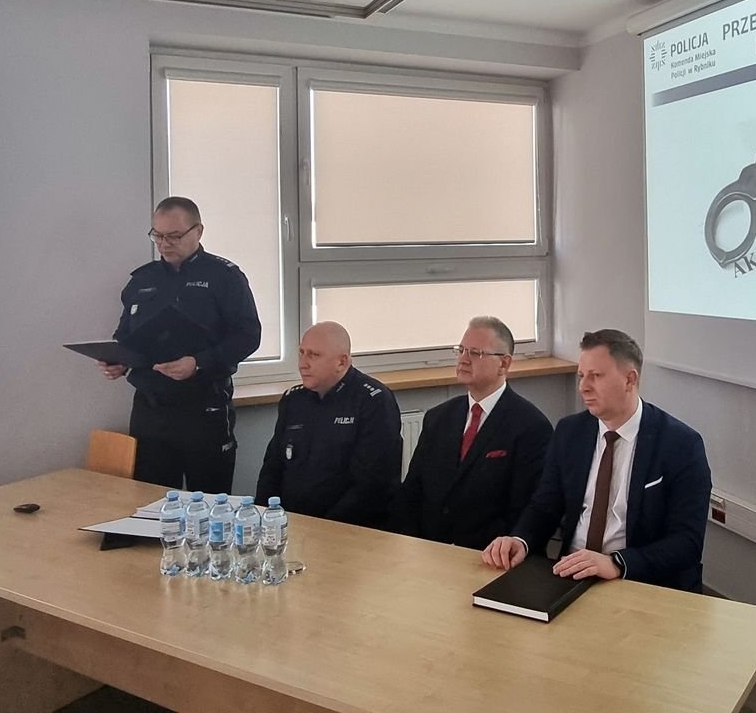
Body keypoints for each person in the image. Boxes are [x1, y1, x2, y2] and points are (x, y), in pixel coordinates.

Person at [482, 329, 712, 592]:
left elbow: (687, 541)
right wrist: (520, 540)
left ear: (629, 379)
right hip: (571, 572)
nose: (583, 387)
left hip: (639, 579)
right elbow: (545, 506)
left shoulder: (680, 444)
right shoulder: (570, 432)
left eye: (596, 376)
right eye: (582, 376)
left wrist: (617, 563)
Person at [99, 196, 260, 494]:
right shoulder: (142, 280)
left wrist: (198, 363)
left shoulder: (225, 277)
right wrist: (118, 360)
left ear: (198, 231)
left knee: (210, 503)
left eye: (173, 236)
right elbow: (125, 335)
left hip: (203, 407)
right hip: (150, 409)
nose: (164, 244)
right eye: (157, 235)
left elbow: (248, 336)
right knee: (151, 502)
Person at [393, 316, 552, 549]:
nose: (464, 360)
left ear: (504, 364)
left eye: (476, 353)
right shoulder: (438, 418)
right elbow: (412, 492)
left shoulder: (531, 426)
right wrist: (409, 544)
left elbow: (526, 510)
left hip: (488, 554)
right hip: (428, 550)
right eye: (461, 350)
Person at [257, 322, 402, 527]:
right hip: (292, 524)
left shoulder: (373, 401)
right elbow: (272, 469)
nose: (302, 364)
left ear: (341, 362)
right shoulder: (293, 400)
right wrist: (266, 516)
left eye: (314, 355)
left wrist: (325, 528)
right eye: (301, 353)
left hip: (348, 528)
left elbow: (372, 485)